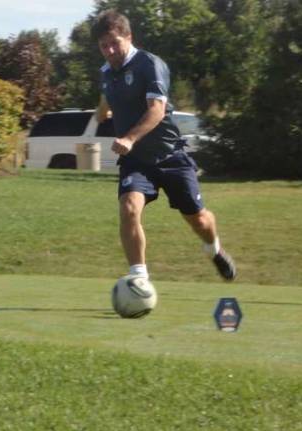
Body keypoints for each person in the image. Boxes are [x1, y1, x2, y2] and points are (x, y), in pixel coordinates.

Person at [92, 9, 236, 281]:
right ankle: (139, 279)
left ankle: (214, 249)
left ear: (129, 37)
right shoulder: (106, 72)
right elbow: (107, 96)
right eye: (103, 46)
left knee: (199, 220)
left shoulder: (150, 64)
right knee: (129, 208)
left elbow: (157, 110)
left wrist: (129, 138)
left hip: (169, 155)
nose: (109, 50)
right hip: (136, 162)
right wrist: (101, 113)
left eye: (114, 43)